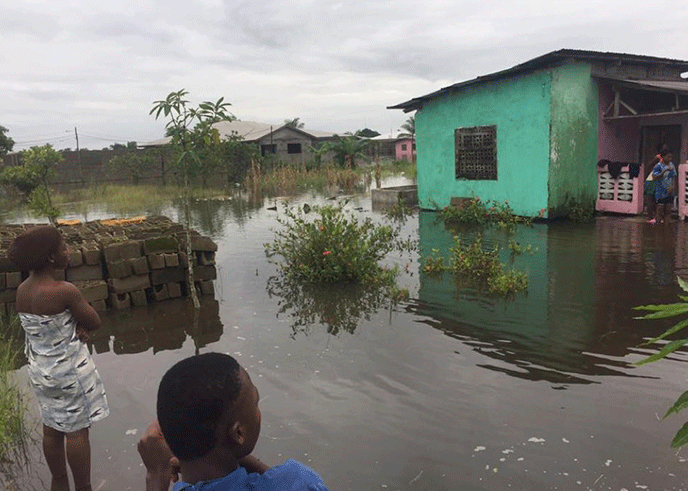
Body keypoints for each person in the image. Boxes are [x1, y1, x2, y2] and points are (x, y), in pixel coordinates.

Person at [137, 353, 330, 491]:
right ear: (239, 434)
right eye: (256, 402)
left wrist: (156, 474)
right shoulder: (298, 481)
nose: (258, 411)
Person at [8, 225, 109, 491]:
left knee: (52, 430)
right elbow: (94, 321)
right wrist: (81, 321)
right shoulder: (64, 290)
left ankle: (58, 481)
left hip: (41, 373)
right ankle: (84, 487)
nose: (68, 251)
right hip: (69, 374)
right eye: (64, 247)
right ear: (52, 257)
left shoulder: (22, 291)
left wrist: (75, 324)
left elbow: (46, 328)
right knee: (77, 432)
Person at [645, 143, 670, 223]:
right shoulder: (658, 157)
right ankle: (649, 218)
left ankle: (657, 217)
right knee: (651, 199)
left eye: (666, 148)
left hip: (658, 181)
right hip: (652, 180)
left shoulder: (665, 158)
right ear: (660, 150)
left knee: (658, 200)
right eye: (664, 148)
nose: (666, 149)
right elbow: (649, 165)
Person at [652, 148, 677, 224]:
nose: (670, 159)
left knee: (668, 211)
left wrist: (673, 186)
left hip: (670, 191)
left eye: (671, 157)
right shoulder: (658, 166)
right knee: (660, 210)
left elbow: (674, 177)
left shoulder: (671, 165)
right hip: (661, 192)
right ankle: (658, 229)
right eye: (668, 157)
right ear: (663, 157)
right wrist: (664, 172)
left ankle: (666, 229)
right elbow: (654, 177)